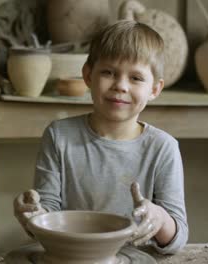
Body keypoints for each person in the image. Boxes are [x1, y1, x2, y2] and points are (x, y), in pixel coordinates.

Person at [13, 20, 188, 254]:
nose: (120, 86)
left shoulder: (163, 148)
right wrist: (33, 217)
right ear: (88, 75)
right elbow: (47, 217)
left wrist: (160, 218)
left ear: (155, 89)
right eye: (108, 72)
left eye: (136, 78)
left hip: (137, 257)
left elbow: (177, 240)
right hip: (72, 256)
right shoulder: (59, 136)